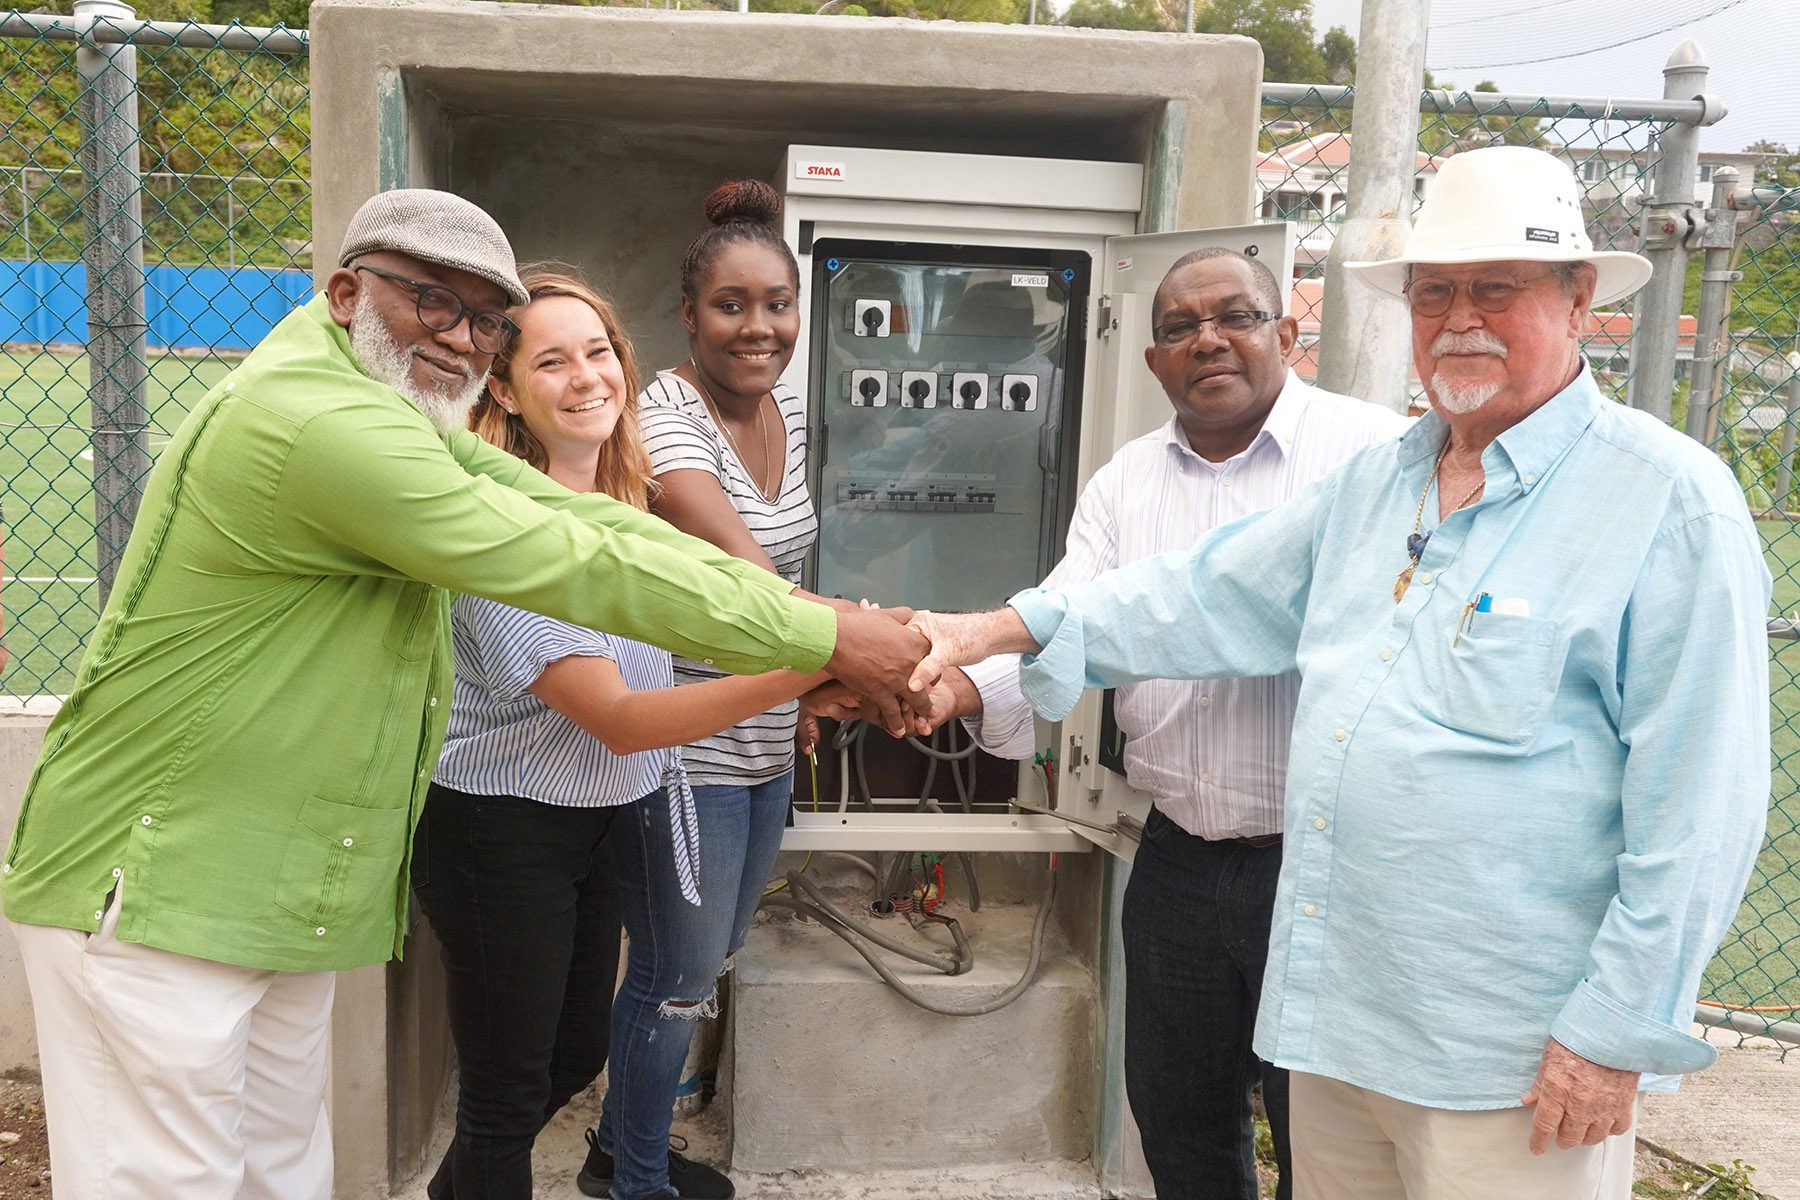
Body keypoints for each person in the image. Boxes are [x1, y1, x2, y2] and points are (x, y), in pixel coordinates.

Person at [0, 188, 924, 1200]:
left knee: (283, 1178)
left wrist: (830, 622)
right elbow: (570, 561)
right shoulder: (321, 421)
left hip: (271, 890)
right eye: (432, 302)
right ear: (347, 291)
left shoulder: (395, 416)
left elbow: (609, 532)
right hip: (165, 886)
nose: (461, 337)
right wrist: (830, 639)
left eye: (487, 318)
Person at [901, 146, 1771, 1200]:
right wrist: (994, 629)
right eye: (1434, 291)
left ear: (1579, 297)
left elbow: (1700, 806)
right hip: (1341, 1025)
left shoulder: (1667, 500)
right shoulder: (1383, 483)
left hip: (1505, 1059)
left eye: (1496, 287)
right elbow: (1198, 593)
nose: (1460, 318)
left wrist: (1613, 1033)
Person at [906, 248, 1406, 1200]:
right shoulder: (1126, 481)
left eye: (1236, 317)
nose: (1207, 339)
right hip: (1174, 857)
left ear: (1286, 333)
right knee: (1177, 1125)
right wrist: (942, 687)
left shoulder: (1370, 458)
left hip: (1319, 867)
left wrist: (959, 645)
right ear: (1150, 359)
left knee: (1327, 1144)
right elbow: (1061, 621)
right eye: (1178, 327)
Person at [417, 268, 837, 1200]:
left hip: (595, 818)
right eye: (552, 361)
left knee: (571, 1055)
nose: (587, 378)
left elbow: (718, 613)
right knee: (505, 1097)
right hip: (499, 832)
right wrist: (814, 665)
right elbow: (619, 719)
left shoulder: (624, 504)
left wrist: (822, 658)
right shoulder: (506, 526)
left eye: (599, 353)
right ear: (503, 386)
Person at [576, 180, 813, 1200]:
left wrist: (809, 703)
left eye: (777, 304)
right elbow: (751, 579)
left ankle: (613, 1150)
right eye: (732, 305)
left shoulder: (790, 408)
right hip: (688, 757)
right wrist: (869, 653)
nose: (758, 328)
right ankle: (635, 1184)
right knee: (672, 982)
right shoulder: (664, 419)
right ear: (687, 314)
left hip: (767, 743)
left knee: (700, 968)